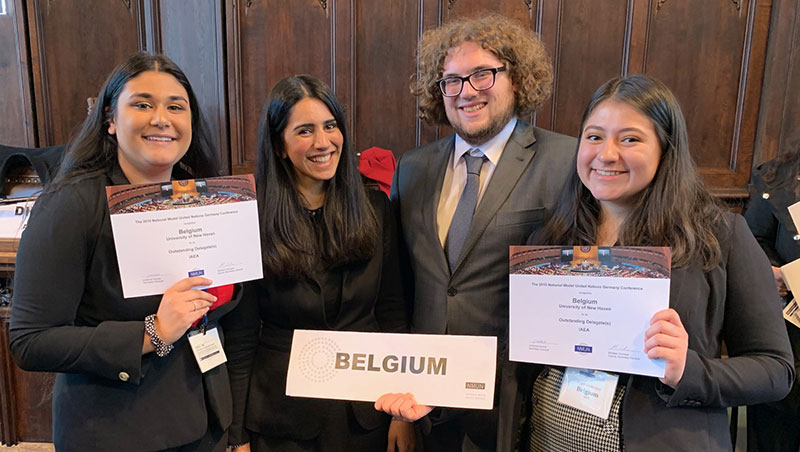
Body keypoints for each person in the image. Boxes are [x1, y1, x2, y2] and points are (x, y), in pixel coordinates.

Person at [510, 74, 792, 451]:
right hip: (548, 439)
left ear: (666, 149)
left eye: (630, 139)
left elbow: (776, 371)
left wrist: (686, 370)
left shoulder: (719, 236)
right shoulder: (550, 239)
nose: (606, 154)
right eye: (594, 136)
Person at [9, 53, 240, 451]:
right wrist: (152, 333)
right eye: (142, 104)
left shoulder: (203, 196)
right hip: (118, 432)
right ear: (110, 121)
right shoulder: (71, 205)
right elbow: (30, 341)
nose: (161, 118)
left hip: (206, 422)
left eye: (175, 106)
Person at [377, 13, 576, 451]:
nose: (467, 91)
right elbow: (401, 289)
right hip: (425, 404)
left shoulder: (567, 161)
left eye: (482, 74)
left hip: (514, 404)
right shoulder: (412, 168)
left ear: (517, 80)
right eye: (452, 80)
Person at [222, 75, 410, 452]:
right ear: (279, 145)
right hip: (282, 418)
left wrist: (400, 415)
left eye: (330, 126)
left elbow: (393, 314)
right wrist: (236, 435)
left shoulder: (375, 209)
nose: (323, 143)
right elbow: (241, 338)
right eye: (305, 131)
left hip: (366, 412)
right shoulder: (249, 220)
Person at [743, 146, 800, 452]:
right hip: (788, 330)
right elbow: (754, 237)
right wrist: (770, 271)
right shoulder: (780, 174)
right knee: (774, 434)